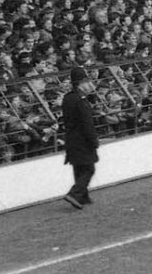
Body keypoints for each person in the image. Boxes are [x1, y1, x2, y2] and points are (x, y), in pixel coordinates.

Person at [60, 66, 98, 210]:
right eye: (87, 82)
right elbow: (87, 123)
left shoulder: (67, 98)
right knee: (89, 168)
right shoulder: (81, 100)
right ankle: (75, 194)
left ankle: (83, 196)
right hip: (82, 140)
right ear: (81, 83)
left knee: (79, 167)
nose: (90, 85)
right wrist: (93, 140)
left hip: (71, 138)